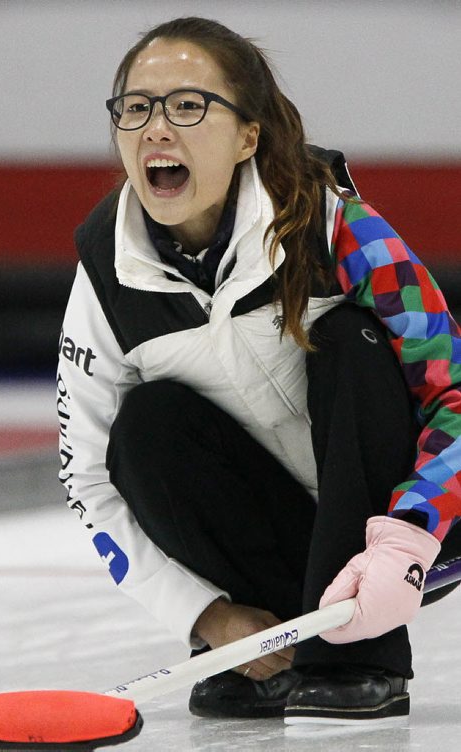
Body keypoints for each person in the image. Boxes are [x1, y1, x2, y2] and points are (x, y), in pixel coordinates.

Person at [57, 16, 461, 725]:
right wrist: (210, 616)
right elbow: (87, 475)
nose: (156, 128)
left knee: (348, 341)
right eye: (136, 107)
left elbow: (454, 392)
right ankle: (276, 643)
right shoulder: (104, 277)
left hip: (404, 529)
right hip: (275, 536)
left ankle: (357, 660)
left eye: (187, 106)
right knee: (146, 425)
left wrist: (409, 535)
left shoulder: (337, 228)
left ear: (248, 135)